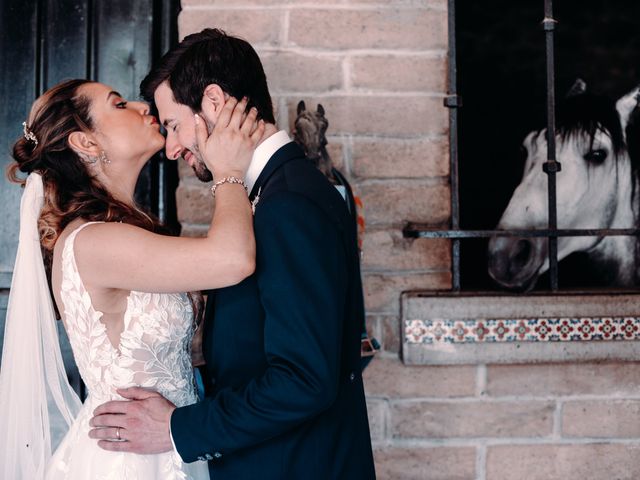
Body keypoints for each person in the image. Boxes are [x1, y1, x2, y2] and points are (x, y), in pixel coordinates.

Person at [90, 28, 376, 479]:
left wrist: (177, 429)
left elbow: (304, 379)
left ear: (214, 102)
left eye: (174, 125)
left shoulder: (288, 203)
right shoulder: (271, 193)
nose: (171, 147)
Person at [0, 78, 264, 479]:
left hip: (164, 445)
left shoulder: (118, 233)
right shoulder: (95, 242)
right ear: (85, 143)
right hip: (132, 461)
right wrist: (229, 171)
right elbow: (233, 259)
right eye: (119, 104)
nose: (144, 107)